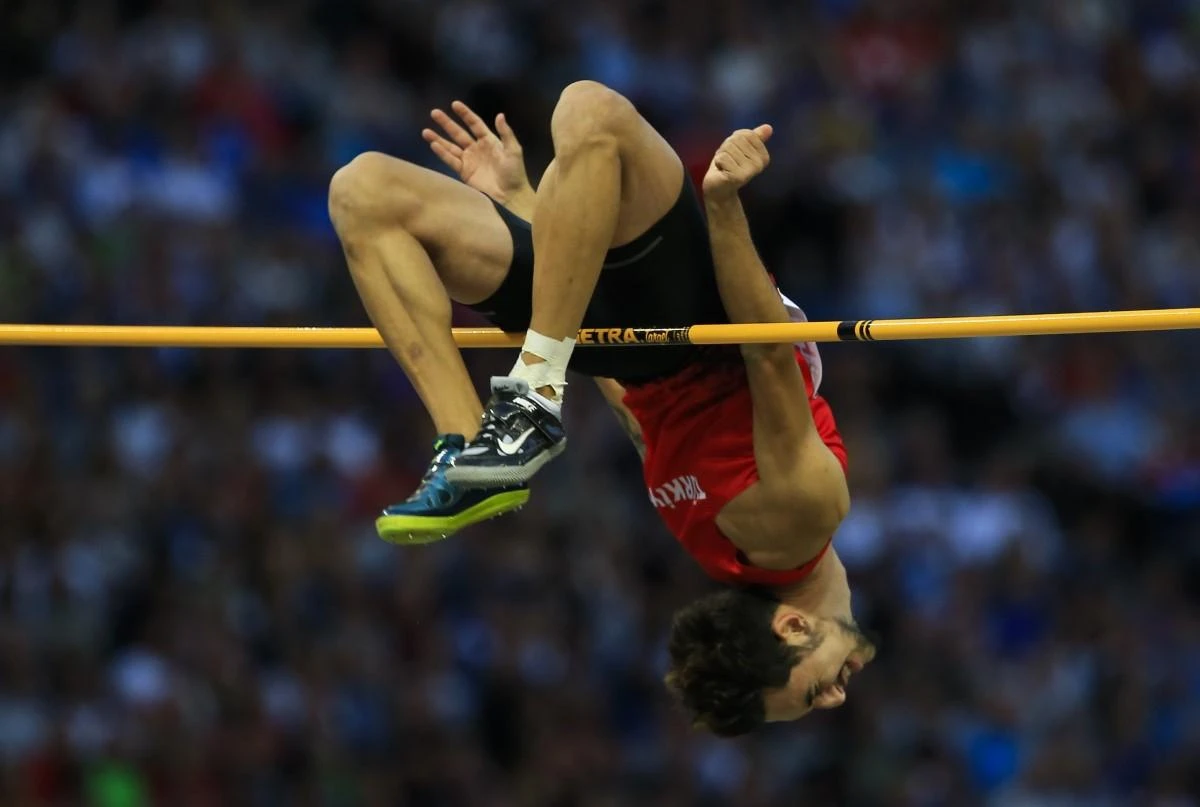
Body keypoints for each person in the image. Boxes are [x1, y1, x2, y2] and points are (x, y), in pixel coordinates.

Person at [327, 81, 876, 736]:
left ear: (791, 626)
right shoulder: (716, 544)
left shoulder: (803, 518)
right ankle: (483, 439)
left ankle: (482, 430)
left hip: (679, 320)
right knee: (362, 189)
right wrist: (527, 204)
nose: (836, 698)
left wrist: (724, 203)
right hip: (627, 334)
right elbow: (634, 401)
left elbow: (764, 352)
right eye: (818, 698)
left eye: (814, 691)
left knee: (573, 118)